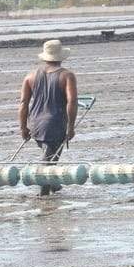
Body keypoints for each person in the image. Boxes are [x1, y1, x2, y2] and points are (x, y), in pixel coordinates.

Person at [18, 39, 81, 195]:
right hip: (55, 123)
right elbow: (72, 101)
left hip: (35, 124)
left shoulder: (30, 76)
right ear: (60, 57)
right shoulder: (67, 76)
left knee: (49, 156)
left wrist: (23, 127)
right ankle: (43, 195)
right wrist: (71, 126)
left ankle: (54, 185)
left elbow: (23, 103)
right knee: (49, 161)